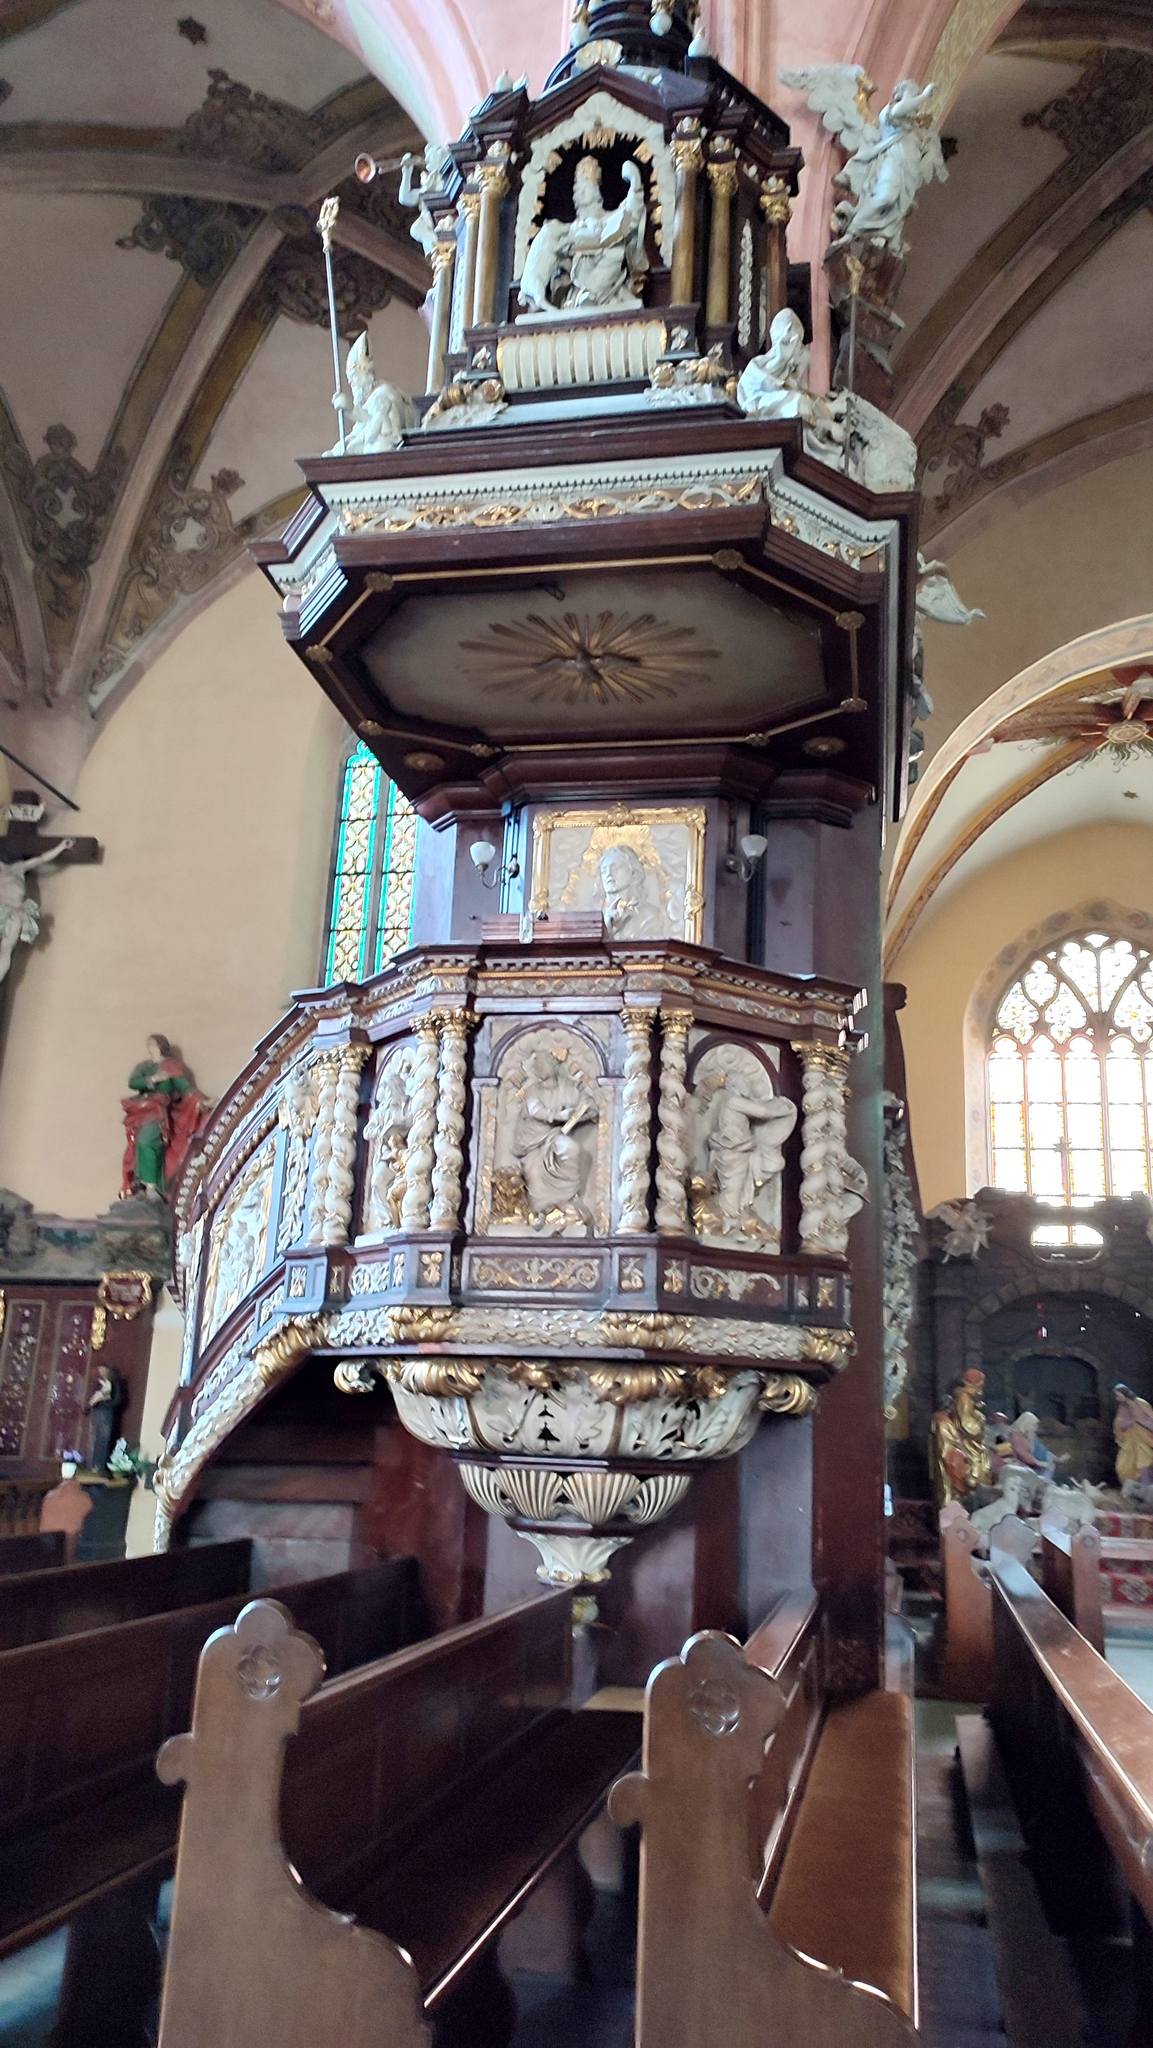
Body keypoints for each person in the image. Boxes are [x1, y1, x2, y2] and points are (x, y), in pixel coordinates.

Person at [511, 1048, 597, 1231]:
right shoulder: (533, 1090)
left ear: (552, 1064)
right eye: (537, 1066)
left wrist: (586, 1111)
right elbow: (536, 1110)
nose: (540, 1068)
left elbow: (587, 1103)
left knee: (571, 1149)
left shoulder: (568, 1087)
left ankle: (568, 1199)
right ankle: (541, 1210)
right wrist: (559, 1114)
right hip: (532, 1142)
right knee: (534, 1172)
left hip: (553, 1136)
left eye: (542, 1064)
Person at [121, 1034, 208, 1198]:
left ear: (161, 1046)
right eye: (149, 1045)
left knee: (148, 1141)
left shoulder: (172, 1066)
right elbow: (133, 1082)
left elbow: (185, 1088)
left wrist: (201, 1102)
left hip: (158, 1112)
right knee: (138, 1144)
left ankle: (152, 1186)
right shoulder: (145, 1066)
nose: (151, 1047)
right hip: (141, 1110)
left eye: (153, 1044)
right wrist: (153, 1079)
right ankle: (145, 1185)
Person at [929, 1366, 993, 1508]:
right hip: (965, 1446)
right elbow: (966, 1425)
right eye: (980, 1384)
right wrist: (980, 1423)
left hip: (964, 1443)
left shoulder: (968, 1398)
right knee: (972, 1470)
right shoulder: (964, 1397)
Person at [1114, 1384, 1153, 1489]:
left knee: (1145, 1462)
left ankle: (1147, 1487)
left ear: (1125, 1394)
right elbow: (1119, 1424)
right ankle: (1134, 1487)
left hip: (1143, 1438)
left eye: (1118, 1395)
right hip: (1129, 1440)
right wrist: (1129, 1423)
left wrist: (1140, 1422)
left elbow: (1150, 1419)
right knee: (1123, 1465)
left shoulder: (1141, 1403)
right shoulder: (1122, 1407)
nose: (1117, 1398)